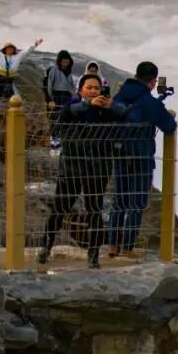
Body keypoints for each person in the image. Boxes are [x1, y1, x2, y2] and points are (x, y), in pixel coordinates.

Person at [38, 74, 127, 269]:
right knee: (60, 208)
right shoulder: (72, 106)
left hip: (98, 168)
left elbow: (124, 113)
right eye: (89, 88)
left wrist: (110, 105)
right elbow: (64, 118)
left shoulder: (106, 110)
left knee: (94, 210)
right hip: (72, 167)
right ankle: (46, 247)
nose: (94, 91)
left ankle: (93, 255)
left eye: (97, 88)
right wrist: (89, 105)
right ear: (80, 90)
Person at [108, 61, 176, 257]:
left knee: (119, 202)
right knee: (136, 204)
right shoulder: (149, 102)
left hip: (120, 154)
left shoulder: (120, 95)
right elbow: (169, 125)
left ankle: (113, 246)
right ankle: (128, 248)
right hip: (141, 157)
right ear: (153, 82)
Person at [0, 32, 43, 100]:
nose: (10, 49)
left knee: (7, 99)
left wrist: (35, 45)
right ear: (5, 49)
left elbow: (27, 51)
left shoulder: (17, 56)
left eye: (12, 48)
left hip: (9, 80)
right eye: (8, 48)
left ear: (14, 50)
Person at [44, 50, 76, 148]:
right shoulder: (54, 70)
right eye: (63, 60)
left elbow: (72, 87)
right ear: (60, 61)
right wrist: (50, 100)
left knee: (65, 119)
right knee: (54, 119)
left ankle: (62, 142)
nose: (66, 62)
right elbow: (49, 85)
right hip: (56, 96)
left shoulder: (69, 72)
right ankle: (54, 143)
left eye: (67, 60)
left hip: (67, 97)